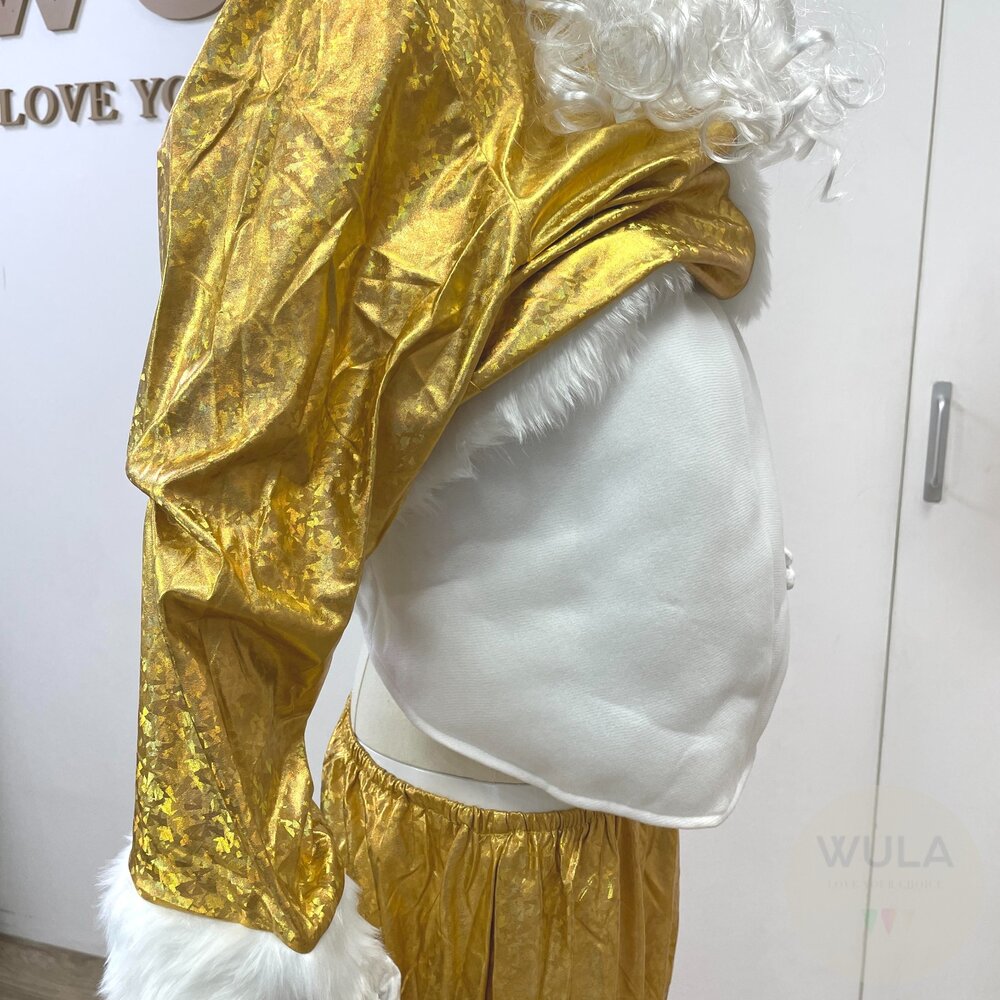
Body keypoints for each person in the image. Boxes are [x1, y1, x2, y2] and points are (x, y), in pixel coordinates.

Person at [97, 1, 883, 997]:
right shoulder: (364, 21)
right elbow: (237, 453)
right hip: (467, 825)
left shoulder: (620, 47)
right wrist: (231, 890)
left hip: (606, 826)